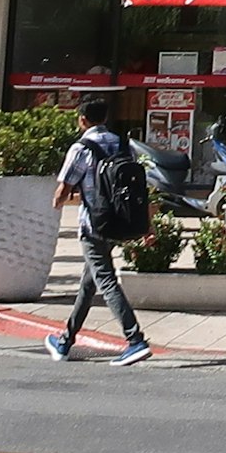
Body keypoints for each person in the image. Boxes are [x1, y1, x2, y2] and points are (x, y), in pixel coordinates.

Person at [42, 99, 154, 366]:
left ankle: (135, 339)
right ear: (104, 118)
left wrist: (56, 203)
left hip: (93, 225)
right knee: (88, 284)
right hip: (119, 222)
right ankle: (66, 341)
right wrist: (147, 224)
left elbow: (63, 190)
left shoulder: (80, 148)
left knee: (105, 281)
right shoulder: (123, 144)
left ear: (82, 119)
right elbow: (136, 186)